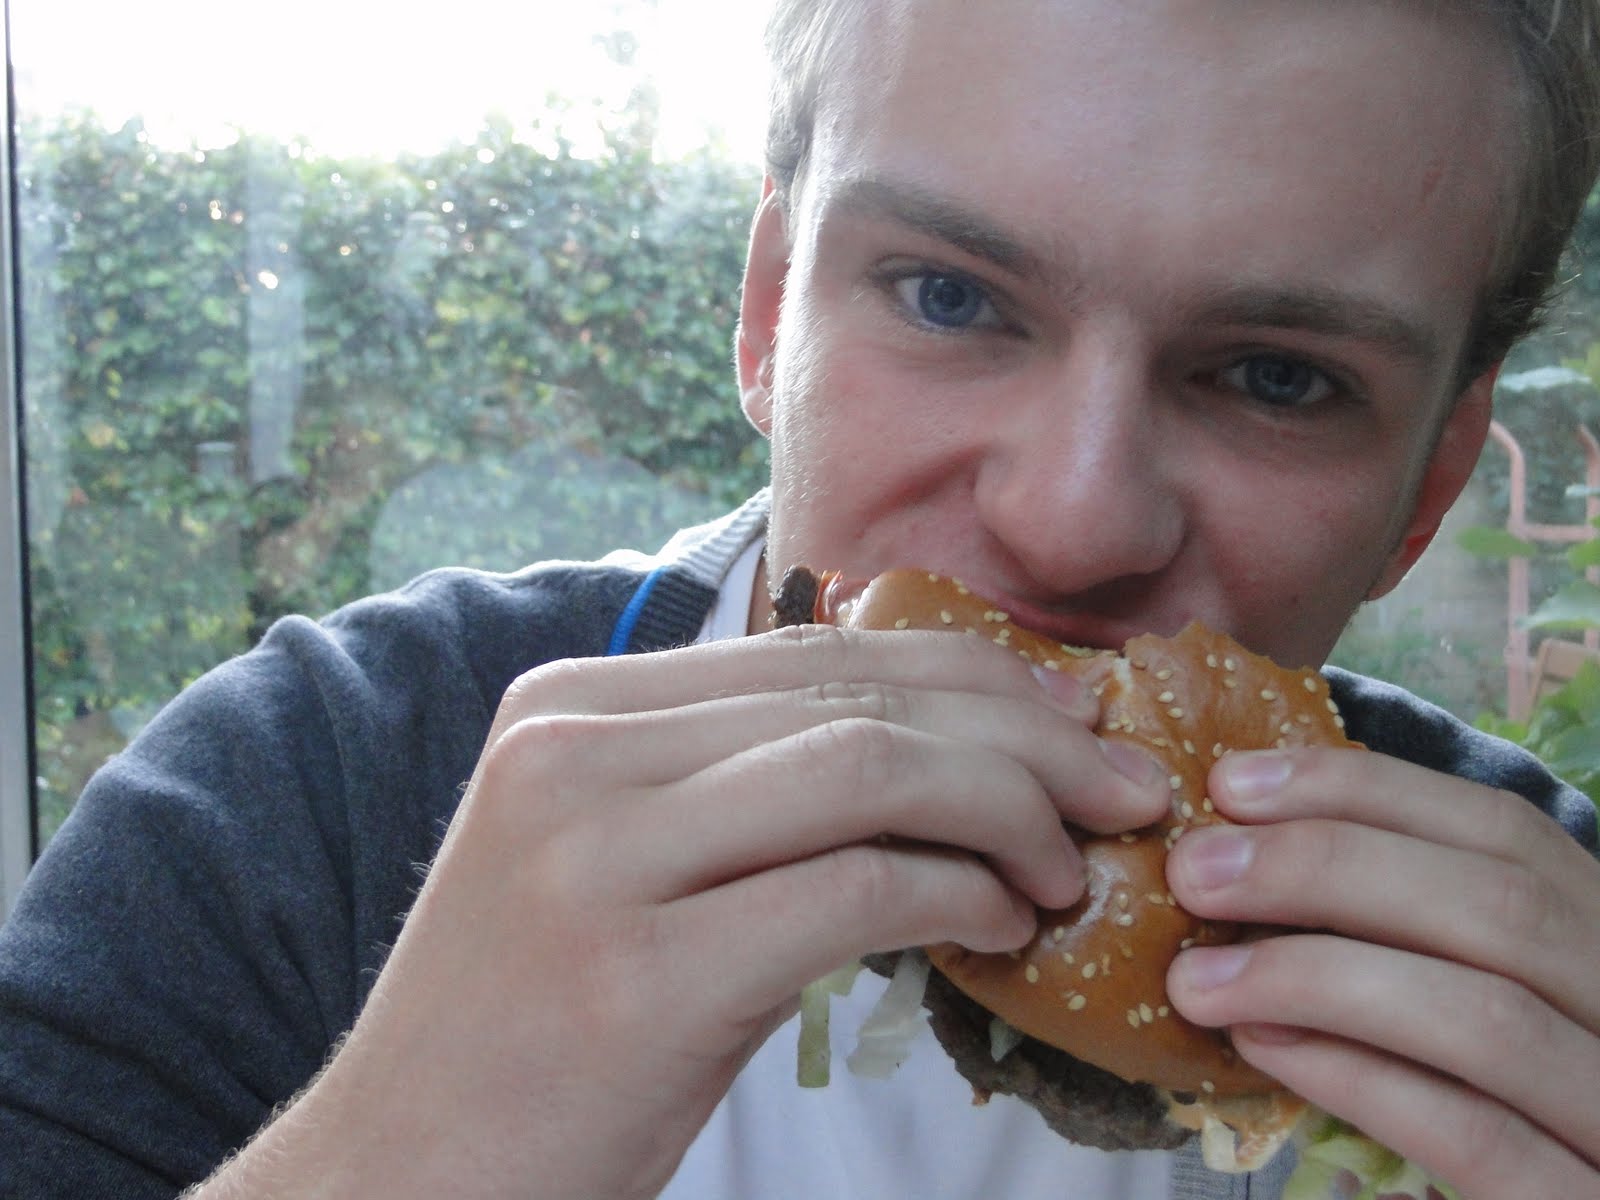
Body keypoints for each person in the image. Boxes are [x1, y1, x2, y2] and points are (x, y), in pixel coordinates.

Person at [4, 1, 1600, 1197]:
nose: (1073, 518)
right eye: (950, 296)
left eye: (1276, 378)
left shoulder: (1557, 951)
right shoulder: (305, 800)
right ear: (771, 320)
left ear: (1429, 493)